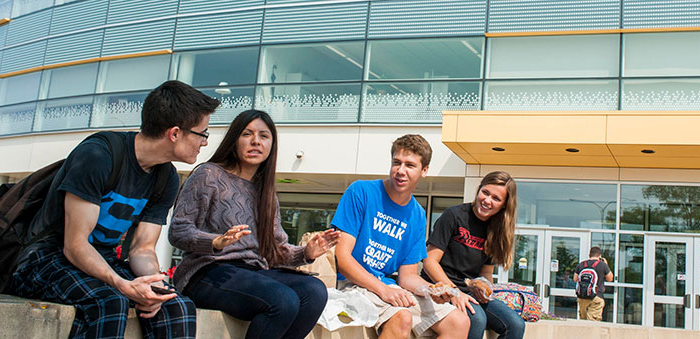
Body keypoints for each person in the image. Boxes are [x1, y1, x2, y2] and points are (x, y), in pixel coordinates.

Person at [10, 80, 218, 339]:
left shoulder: (166, 178)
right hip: (46, 259)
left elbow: (142, 249)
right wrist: (122, 284)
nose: (205, 143)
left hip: (101, 260)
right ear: (175, 133)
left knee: (175, 305)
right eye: (203, 133)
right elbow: (75, 245)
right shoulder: (98, 156)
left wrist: (154, 283)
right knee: (109, 301)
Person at [169, 110, 340, 339]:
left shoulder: (266, 193)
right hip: (206, 271)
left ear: (272, 145)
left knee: (314, 292)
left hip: (253, 273)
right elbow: (178, 231)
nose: (255, 142)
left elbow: (276, 251)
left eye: (263, 136)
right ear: (234, 140)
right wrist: (216, 242)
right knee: (282, 300)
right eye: (247, 134)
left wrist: (306, 253)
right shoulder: (209, 175)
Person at [332, 134, 470, 339]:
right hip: (352, 284)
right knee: (402, 316)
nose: (400, 171)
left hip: (389, 286)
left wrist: (431, 290)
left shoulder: (418, 214)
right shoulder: (361, 191)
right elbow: (342, 258)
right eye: (396, 162)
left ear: (424, 171)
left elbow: (408, 277)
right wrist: (383, 290)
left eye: (410, 165)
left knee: (459, 322)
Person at [422, 171, 524, 339]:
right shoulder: (454, 215)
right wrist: (454, 292)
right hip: (441, 287)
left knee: (516, 324)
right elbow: (430, 261)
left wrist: (485, 290)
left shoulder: (497, 230)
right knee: (477, 319)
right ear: (478, 190)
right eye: (485, 192)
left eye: (496, 198)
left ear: (504, 205)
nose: (487, 200)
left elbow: (486, 273)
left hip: (469, 292)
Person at [572, 246, 615, 321]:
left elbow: (575, 279)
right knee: (593, 323)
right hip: (596, 296)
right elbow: (610, 278)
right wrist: (606, 265)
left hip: (582, 297)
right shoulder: (602, 265)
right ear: (600, 255)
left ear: (589, 255)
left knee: (583, 321)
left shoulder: (581, 264)